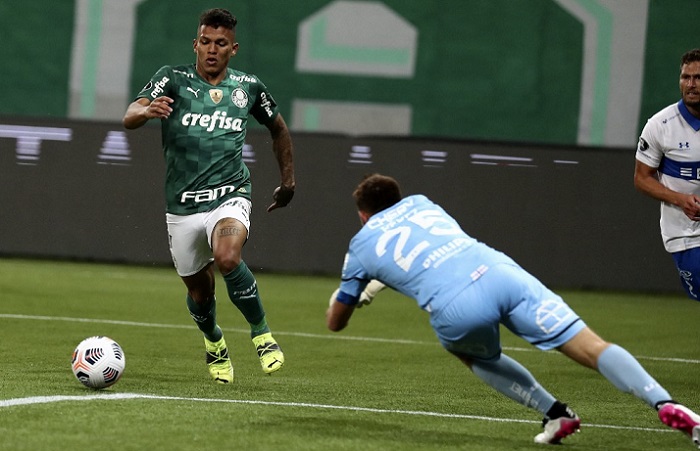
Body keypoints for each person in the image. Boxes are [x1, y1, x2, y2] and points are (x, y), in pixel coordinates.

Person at [327, 173, 700, 446]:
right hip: (500, 272)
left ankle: (554, 412)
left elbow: (336, 323)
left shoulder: (360, 245)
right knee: (591, 346)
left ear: (362, 215)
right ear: (398, 197)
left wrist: (352, 293)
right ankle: (665, 402)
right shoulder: (422, 202)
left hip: (456, 305)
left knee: (476, 357)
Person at [122, 8, 294, 384]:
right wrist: (147, 110)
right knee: (201, 293)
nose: (211, 50)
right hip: (183, 206)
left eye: (220, 44)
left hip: (230, 193)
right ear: (195, 44)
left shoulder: (248, 87)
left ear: (233, 48)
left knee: (228, 258)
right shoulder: (171, 79)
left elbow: (278, 128)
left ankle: (262, 334)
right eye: (205, 42)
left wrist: (288, 181)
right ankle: (214, 340)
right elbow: (129, 115)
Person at [634, 48, 700, 301]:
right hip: (687, 236)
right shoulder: (661, 126)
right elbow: (641, 178)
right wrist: (681, 200)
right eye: (686, 77)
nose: (691, 84)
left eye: (698, 78)